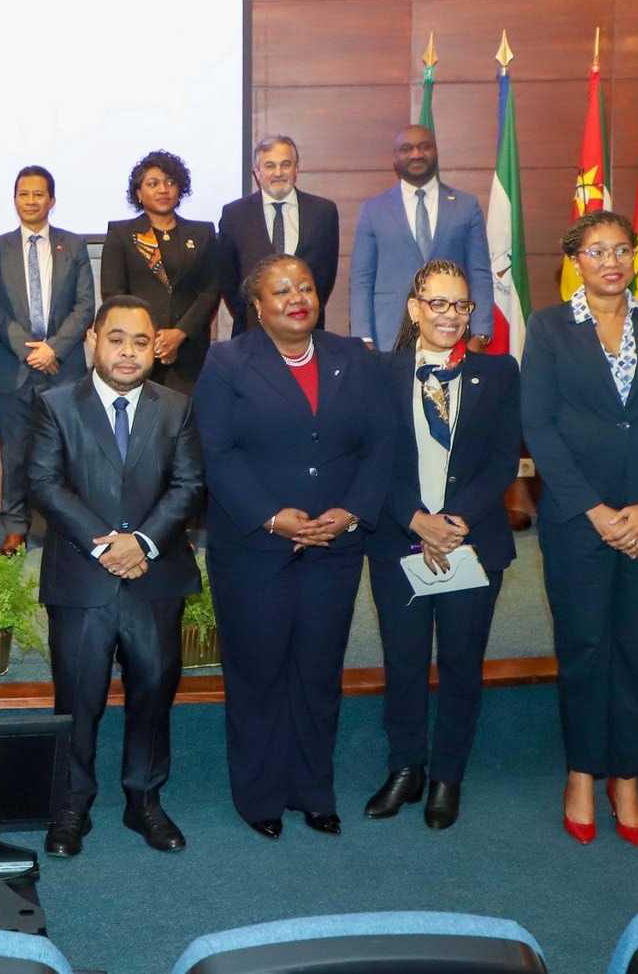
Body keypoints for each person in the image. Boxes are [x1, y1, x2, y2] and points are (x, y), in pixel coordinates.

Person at [521, 210, 638, 848]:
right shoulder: (547, 329)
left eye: (621, 249)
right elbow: (539, 427)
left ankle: (625, 775)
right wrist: (596, 510)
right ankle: (581, 772)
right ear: (574, 262)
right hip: (578, 520)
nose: (612, 261)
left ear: (634, 257)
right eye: (597, 251)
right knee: (585, 648)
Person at [195, 253, 391, 839]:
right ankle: (259, 797)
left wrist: (350, 511)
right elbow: (217, 452)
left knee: (318, 669)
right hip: (255, 547)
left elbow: (379, 445)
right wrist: (270, 517)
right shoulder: (227, 361)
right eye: (281, 291)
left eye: (304, 287)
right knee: (258, 670)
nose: (296, 298)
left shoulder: (353, 358)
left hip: (334, 544)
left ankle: (313, 790)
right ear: (256, 306)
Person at [28, 295, 205, 856]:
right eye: (116, 339)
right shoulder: (56, 404)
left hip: (154, 578)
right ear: (93, 341)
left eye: (140, 342)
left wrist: (144, 543)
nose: (128, 352)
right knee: (77, 698)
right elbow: (44, 483)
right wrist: (110, 546)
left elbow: (189, 486)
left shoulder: (176, 407)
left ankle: (144, 802)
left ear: (155, 349)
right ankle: (70, 807)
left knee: (153, 691)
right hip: (83, 577)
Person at [361, 260, 520, 831]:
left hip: (471, 543)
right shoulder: (377, 372)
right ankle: (405, 767)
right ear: (414, 308)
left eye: (461, 305)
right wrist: (413, 519)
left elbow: (505, 460)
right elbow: (367, 458)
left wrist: (452, 521)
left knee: (460, 664)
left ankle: (447, 776)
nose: (450, 316)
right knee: (403, 662)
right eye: (438, 304)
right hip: (396, 542)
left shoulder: (498, 373)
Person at [0, 166, 95, 557]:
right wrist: (29, 349)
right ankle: (15, 527)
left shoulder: (74, 246)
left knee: (67, 453)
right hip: (11, 367)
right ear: (14, 200)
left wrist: (54, 348)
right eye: (23, 194)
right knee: (14, 452)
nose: (30, 201)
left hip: (63, 367)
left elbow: (85, 306)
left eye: (38, 194)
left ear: (52, 200)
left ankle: (66, 526)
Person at [348, 125, 495, 351]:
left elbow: (480, 273)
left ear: (436, 152)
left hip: (451, 330)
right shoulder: (373, 209)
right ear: (395, 159)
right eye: (406, 149)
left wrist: (481, 333)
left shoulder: (467, 206)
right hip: (389, 335)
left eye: (424, 147)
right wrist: (363, 338)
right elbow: (361, 278)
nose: (416, 154)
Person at [101, 151, 221, 392]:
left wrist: (179, 334)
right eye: (153, 184)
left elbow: (210, 291)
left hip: (190, 350)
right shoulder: (121, 234)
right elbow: (113, 293)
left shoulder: (203, 233)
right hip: (138, 349)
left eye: (170, 182)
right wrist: (150, 337)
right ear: (138, 193)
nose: (163, 190)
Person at [217, 134, 339, 334]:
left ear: (296, 169)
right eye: (270, 166)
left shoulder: (323, 213)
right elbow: (229, 280)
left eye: (285, 164)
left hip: (307, 331)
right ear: (257, 172)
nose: (278, 173)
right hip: (252, 333)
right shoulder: (234, 215)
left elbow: (325, 278)